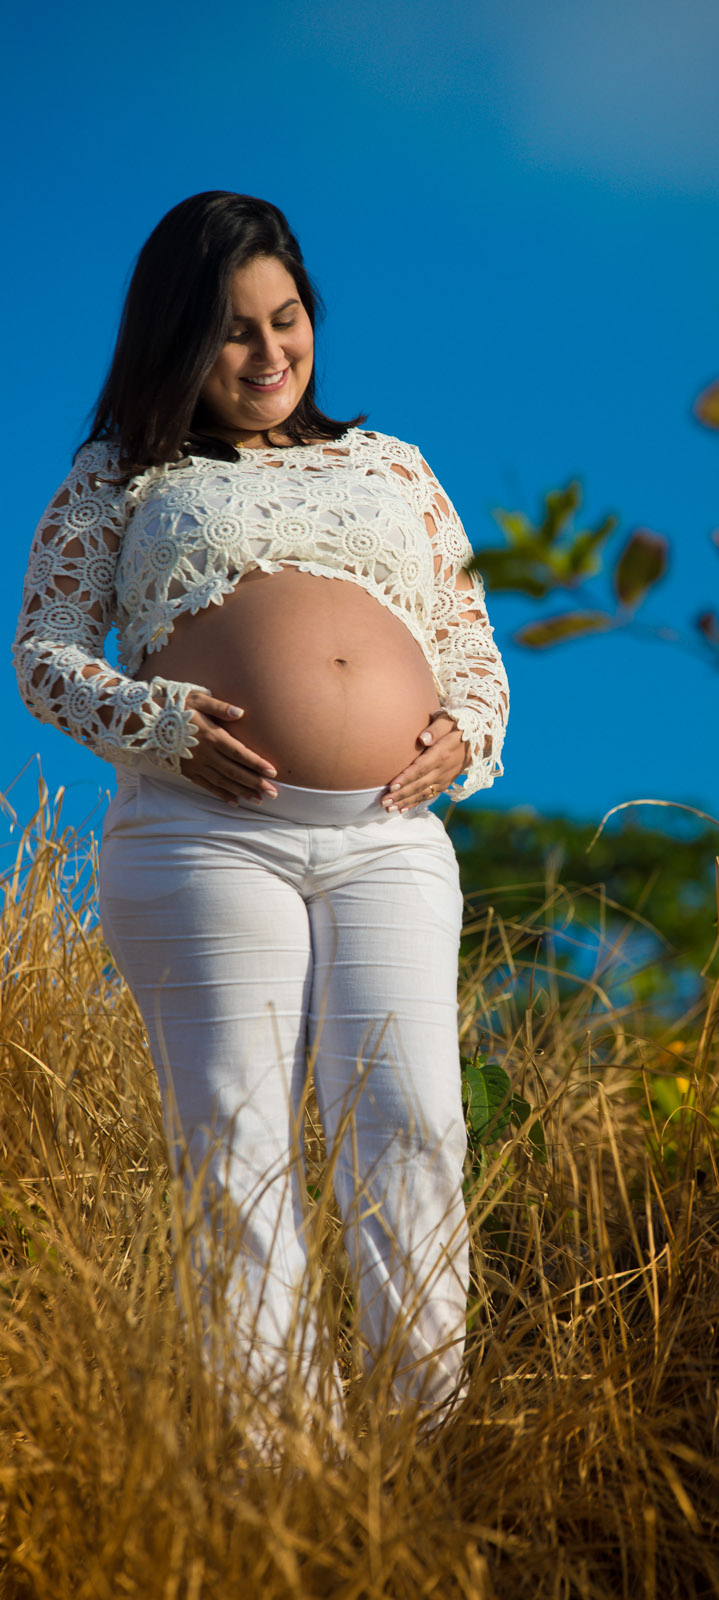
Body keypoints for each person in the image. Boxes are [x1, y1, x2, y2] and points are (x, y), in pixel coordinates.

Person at [12, 191, 509, 1426]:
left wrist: (467, 733)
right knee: (240, 1142)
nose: (272, 352)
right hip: (204, 836)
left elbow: (471, 642)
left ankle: (428, 1447)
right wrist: (162, 726)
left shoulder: (394, 466)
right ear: (178, 341)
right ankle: (278, 1475)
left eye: (288, 320)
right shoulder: (122, 474)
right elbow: (44, 654)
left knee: (415, 1123)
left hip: (390, 838)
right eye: (234, 332)